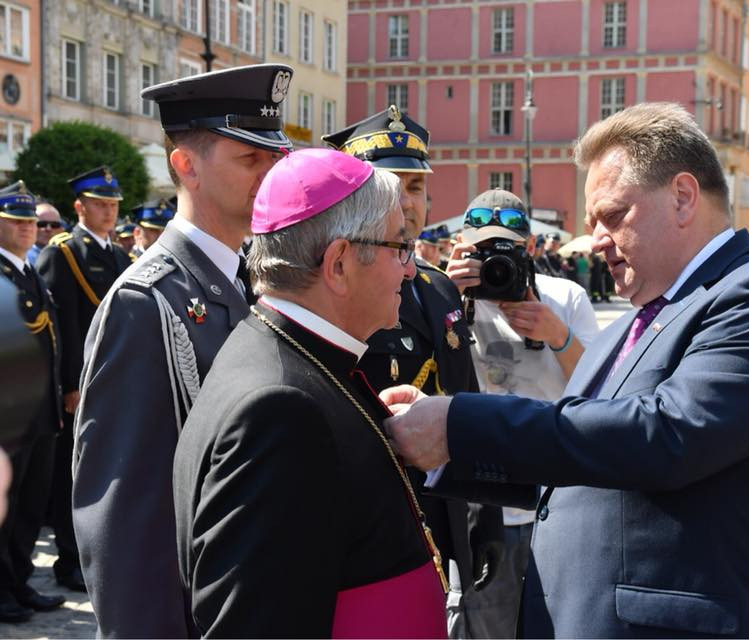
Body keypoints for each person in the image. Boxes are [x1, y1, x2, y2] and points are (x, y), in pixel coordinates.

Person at [383, 102, 749, 637]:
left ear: (683, 196)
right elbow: (577, 459)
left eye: (613, 216)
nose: (598, 238)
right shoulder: (642, 318)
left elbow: (666, 435)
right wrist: (447, 452)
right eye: (592, 222)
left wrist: (459, 423)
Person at [172, 148, 446, 637]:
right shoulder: (281, 412)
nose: (410, 268)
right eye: (398, 247)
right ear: (339, 264)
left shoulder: (299, 360)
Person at [72, 63, 292, 638]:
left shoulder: (253, 282)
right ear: (185, 165)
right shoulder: (147, 303)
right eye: (250, 159)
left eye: (275, 159)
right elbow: (123, 521)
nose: (270, 175)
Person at [323, 105, 502, 636]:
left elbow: (464, 395)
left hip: (440, 510)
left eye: (418, 186)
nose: (409, 200)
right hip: (365, 514)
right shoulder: (336, 284)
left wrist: (484, 513)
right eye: (393, 184)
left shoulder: (438, 286)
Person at [443, 189, 599, 637]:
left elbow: (598, 393)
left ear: (530, 248)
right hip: (480, 505)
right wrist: (444, 298)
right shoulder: (445, 297)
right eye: (482, 250)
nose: (495, 265)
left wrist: (556, 333)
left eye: (506, 251)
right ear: (461, 247)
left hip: (553, 503)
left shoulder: (565, 297)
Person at [35, 165, 129, 593]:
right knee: (76, 475)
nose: (108, 212)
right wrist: (70, 385)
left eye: (113, 205)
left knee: (109, 471)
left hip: (117, 382)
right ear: (79, 207)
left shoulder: (118, 255)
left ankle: (102, 556)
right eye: (100, 204)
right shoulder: (64, 252)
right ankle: (70, 561)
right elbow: (65, 326)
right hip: (84, 385)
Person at [0, 181, 65, 622]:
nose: (27, 229)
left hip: (40, 411)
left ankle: (19, 582)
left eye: (30, 222)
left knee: (30, 503)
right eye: (17, 222)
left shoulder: (28, 272)